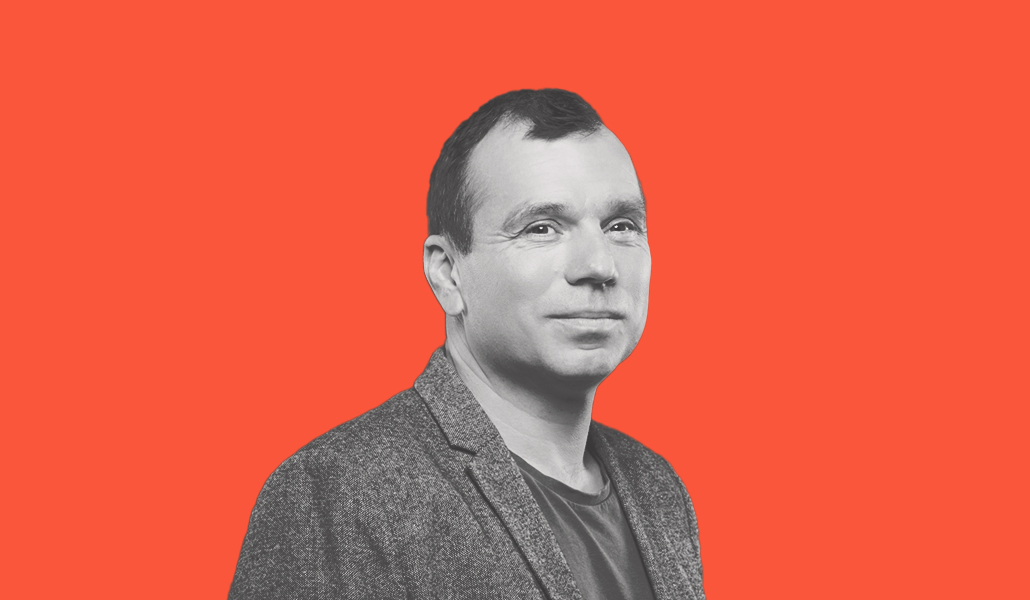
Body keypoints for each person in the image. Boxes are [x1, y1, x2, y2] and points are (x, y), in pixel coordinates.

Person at [228, 89, 705, 600]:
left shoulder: (658, 488)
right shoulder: (337, 490)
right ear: (448, 274)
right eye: (542, 228)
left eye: (621, 226)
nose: (599, 265)